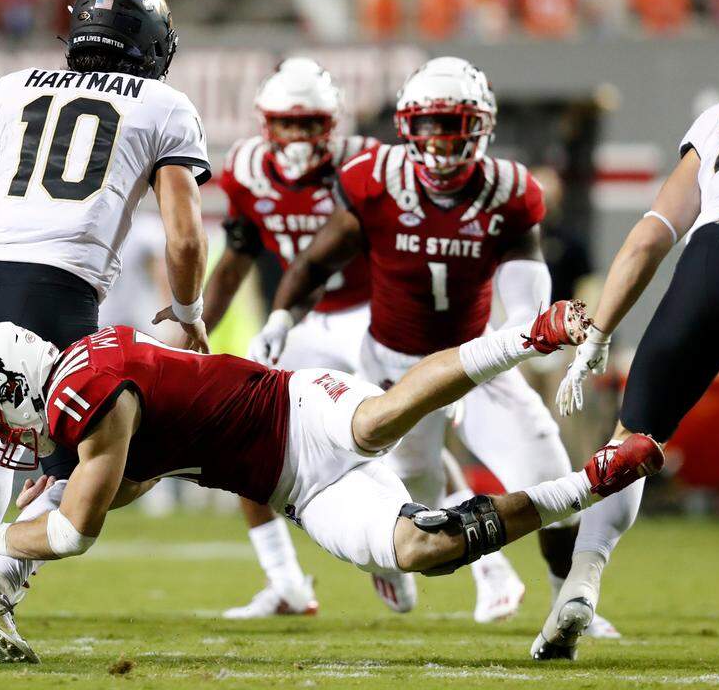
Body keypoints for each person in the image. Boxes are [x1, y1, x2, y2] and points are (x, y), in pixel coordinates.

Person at [0, 304, 663, 663]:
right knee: (421, 548)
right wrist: (66, 498)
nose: (4, 437)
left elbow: (73, 533)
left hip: (298, 407)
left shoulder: (83, 395)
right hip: (296, 488)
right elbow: (136, 478)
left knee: (381, 418)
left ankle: (527, 335)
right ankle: (591, 482)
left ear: (17, 387)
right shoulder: (86, 373)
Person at [252, 57, 616, 631]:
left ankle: (569, 600)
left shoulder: (510, 191)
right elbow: (318, 261)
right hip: (397, 368)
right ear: (406, 126)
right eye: (431, 125)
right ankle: (401, 566)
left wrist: (521, 331)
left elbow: (525, 288)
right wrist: (280, 317)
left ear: (483, 127)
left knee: (549, 474)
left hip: (480, 360)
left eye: (455, 125)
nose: (442, 143)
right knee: (415, 498)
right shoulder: (375, 181)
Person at [0, 0, 210, 658]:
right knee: (106, 457)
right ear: (149, 44)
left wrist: (4, 260)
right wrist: (188, 311)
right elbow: (183, 236)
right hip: (59, 293)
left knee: (1, 435)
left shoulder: (11, 86)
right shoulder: (165, 104)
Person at [546, 10, 719, 660]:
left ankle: (580, 586)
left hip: (706, 266)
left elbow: (650, 234)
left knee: (633, 441)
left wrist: (598, 336)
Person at [203, 57, 375, 617]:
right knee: (244, 437)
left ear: (332, 124)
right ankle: (286, 583)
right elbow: (235, 258)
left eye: (309, 124)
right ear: (265, 124)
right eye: (287, 123)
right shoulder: (248, 169)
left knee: (393, 443)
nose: (298, 137)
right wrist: (192, 325)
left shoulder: (363, 164)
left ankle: (411, 556)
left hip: (369, 314)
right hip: (294, 319)